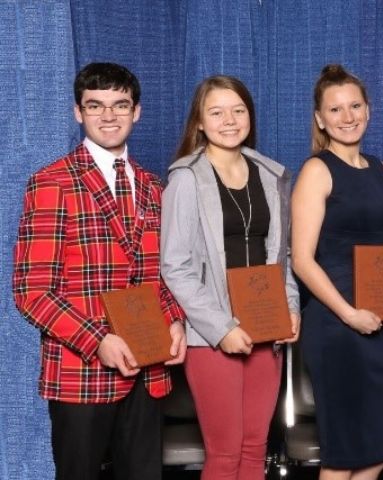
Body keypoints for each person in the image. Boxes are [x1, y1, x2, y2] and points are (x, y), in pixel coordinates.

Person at [12, 62, 187, 480]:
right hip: (80, 372)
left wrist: (176, 321)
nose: (109, 116)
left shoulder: (152, 186)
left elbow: (156, 275)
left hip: (148, 369)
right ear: (78, 112)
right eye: (96, 106)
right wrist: (98, 340)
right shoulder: (52, 182)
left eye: (120, 105)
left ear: (137, 111)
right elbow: (32, 292)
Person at [160, 75, 300, 479]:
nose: (229, 120)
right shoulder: (185, 179)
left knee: (255, 450)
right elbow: (176, 266)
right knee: (224, 453)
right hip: (212, 334)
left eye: (238, 110)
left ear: (250, 117)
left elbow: (282, 255)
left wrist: (291, 308)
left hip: (266, 324)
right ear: (199, 122)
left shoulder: (272, 176)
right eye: (216, 112)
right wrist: (221, 328)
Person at [291, 64, 383, 480]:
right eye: (335, 109)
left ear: (368, 109)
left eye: (355, 105)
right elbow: (302, 260)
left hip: (376, 321)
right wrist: (348, 313)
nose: (347, 116)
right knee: (342, 456)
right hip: (336, 324)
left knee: (376, 450)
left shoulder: (381, 170)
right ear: (320, 119)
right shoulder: (316, 171)